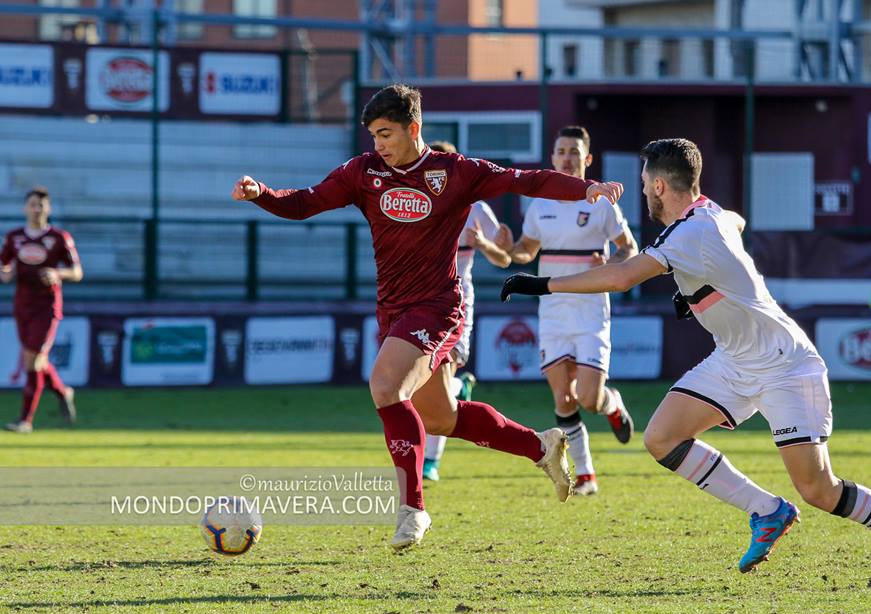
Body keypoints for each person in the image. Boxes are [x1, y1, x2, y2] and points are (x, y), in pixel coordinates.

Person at [501, 138, 871, 586]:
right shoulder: (709, 213)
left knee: (819, 489)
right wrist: (696, 287)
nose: (641, 193)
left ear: (659, 186)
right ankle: (767, 511)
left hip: (784, 365)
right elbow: (736, 221)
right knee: (661, 438)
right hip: (734, 361)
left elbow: (620, 276)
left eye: (643, 185)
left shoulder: (688, 233)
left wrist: (540, 285)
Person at [232, 84, 624, 550]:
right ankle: (540, 446)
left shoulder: (454, 172)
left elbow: (527, 181)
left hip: (438, 307)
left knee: (386, 388)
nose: (378, 145)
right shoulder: (364, 172)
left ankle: (412, 510)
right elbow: (306, 202)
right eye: (373, 135)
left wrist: (587, 189)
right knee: (441, 418)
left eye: (386, 134)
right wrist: (263, 194)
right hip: (394, 310)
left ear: (413, 128)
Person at [500, 125, 638, 496]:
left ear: (587, 159)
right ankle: (587, 475)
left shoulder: (602, 202)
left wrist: (611, 264)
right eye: (561, 151)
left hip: (591, 310)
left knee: (588, 398)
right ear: (552, 157)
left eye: (574, 152)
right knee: (563, 397)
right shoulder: (540, 203)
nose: (567, 157)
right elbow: (526, 251)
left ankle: (612, 404)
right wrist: (507, 249)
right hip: (553, 311)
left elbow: (630, 249)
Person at [421, 140, 513, 483]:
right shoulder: (414, 203)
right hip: (418, 301)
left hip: (457, 303)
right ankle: (459, 391)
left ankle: (431, 461)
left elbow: (504, 258)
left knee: (437, 386)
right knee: (427, 386)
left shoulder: (474, 208)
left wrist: (488, 243)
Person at [1, 186, 81, 433]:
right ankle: (63, 391)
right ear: (25, 208)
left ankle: (25, 420)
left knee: (33, 360)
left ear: (49, 208)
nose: (37, 209)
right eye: (33, 204)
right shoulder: (14, 237)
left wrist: (58, 273)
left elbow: (77, 272)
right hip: (22, 305)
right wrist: (7, 273)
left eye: (41, 205)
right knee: (35, 359)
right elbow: (4, 268)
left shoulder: (59, 237)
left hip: (47, 306)